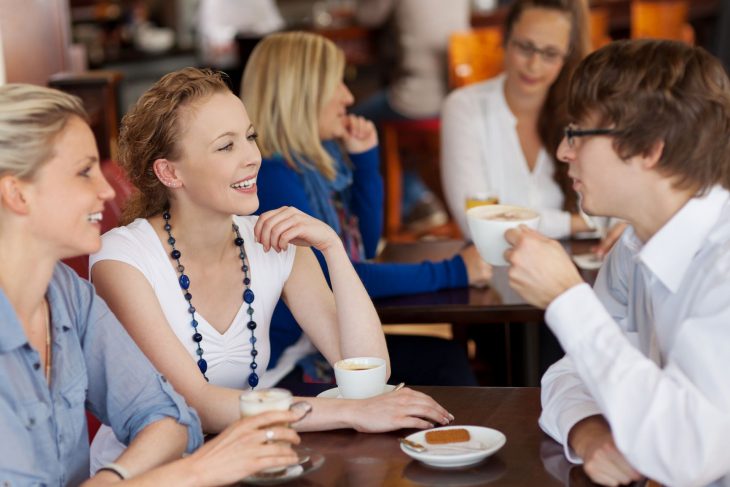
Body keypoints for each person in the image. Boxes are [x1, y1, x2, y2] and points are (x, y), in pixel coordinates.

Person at [88, 67, 454, 470]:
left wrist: (331, 249)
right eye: (225, 147)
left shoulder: (275, 243)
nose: (252, 158)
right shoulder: (122, 259)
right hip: (151, 473)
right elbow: (195, 403)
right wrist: (349, 413)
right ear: (170, 172)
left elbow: (367, 374)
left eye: (250, 137)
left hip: (253, 462)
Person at [0, 84, 307, 486]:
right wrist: (199, 470)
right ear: (16, 193)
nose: (107, 190)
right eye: (83, 171)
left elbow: (167, 416)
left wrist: (112, 478)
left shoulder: (68, 295)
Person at [504, 39, 730, 486]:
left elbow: (687, 456)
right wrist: (590, 433)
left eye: (578, 135)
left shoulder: (723, 265)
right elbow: (574, 370)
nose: (565, 152)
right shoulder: (634, 244)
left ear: (649, 149)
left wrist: (567, 299)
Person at [243, 31, 489, 387]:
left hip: (311, 345)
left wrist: (364, 161)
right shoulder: (273, 178)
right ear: (302, 94)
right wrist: (452, 272)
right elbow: (337, 275)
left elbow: (365, 247)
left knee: (447, 358)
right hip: (281, 367)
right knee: (444, 365)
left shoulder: (312, 166)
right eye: (336, 83)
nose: (347, 97)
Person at [441, 0, 625, 251]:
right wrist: (584, 224)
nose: (533, 65)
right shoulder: (464, 107)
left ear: (565, 56)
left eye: (550, 54)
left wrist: (619, 223)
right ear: (505, 39)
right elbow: (474, 223)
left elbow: (617, 207)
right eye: (525, 47)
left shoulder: (584, 116)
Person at [354, 0, 471, 230]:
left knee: (353, 121)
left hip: (418, 98)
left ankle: (409, 202)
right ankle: (417, 198)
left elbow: (367, 16)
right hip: (457, 96)